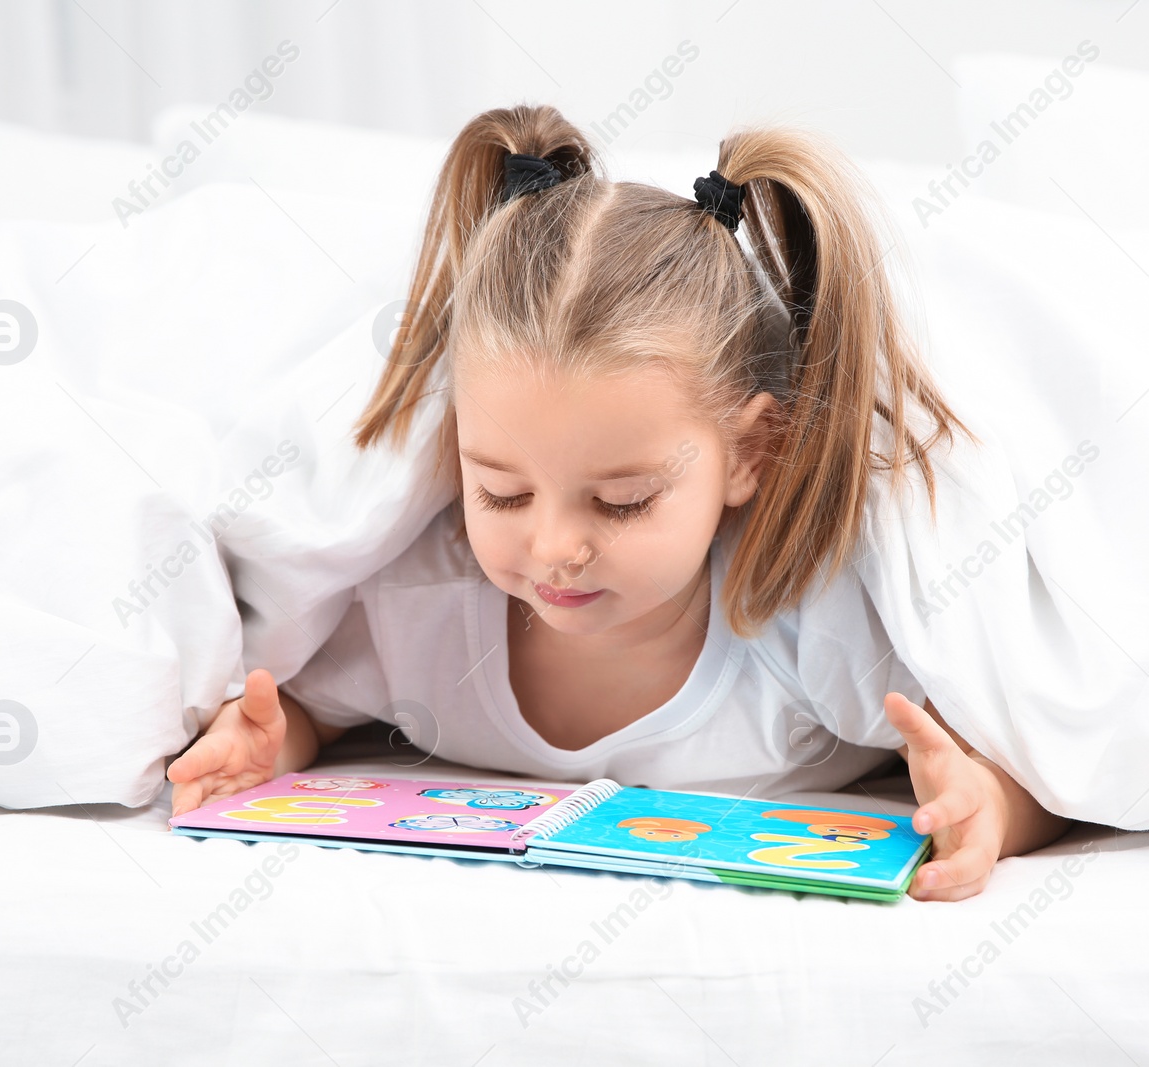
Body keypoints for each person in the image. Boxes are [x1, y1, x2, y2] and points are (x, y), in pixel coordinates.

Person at [167, 104, 1071, 901]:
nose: (554, 547)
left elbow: (1021, 766)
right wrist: (267, 750)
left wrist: (987, 805)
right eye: (502, 491)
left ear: (749, 452)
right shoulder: (416, 613)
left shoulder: (816, 625)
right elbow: (314, 710)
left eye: (624, 501)